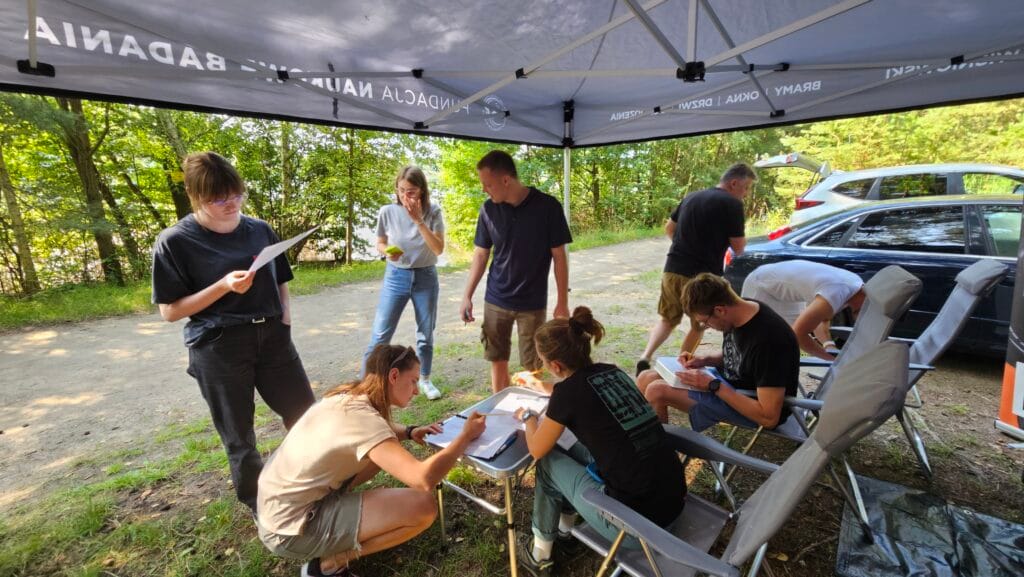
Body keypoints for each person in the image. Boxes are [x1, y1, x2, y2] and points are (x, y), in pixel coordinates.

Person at [151, 151, 315, 515]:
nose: (231, 204)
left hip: (273, 337)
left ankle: (314, 481)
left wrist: (285, 319)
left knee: (306, 416)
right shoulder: (175, 241)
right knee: (239, 436)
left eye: (237, 195)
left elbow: (281, 279)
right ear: (196, 196)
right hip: (219, 346)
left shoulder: (259, 229)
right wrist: (223, 286)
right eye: (219, 199)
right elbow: (170, 311)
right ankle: (261, 505)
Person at [257, 344, 486, 577]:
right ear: (394, 376)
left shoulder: (347, 398)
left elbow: (377, 428)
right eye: (414, 381)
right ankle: (329, 565)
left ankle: (336, 528)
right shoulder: (364, 420)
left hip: (277, 510)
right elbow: (423, 479)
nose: (416, 390)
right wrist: (465, 436)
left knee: (384, 453)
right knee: (424, 507)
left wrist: (409, 431)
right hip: (289, 530)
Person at [516, 307, 686, 577]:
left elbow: (536, 449)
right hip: (672, 505)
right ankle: (565, 532)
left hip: (638, 529)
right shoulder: (612, 373)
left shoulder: (567, 395)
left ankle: (540, 555)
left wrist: (528, 418)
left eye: (543, 360)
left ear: (555, 366)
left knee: (548, 462)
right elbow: (576, 392)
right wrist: (539, 386)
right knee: (570, 448)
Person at [460, 150, 573, 393]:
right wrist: (467, 295)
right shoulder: (488, 210)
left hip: (532, 303)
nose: (484, 189)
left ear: (505, 180)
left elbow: (559, 257)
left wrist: (562, 302)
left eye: (487, 184)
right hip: (496, 299)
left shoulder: (548, 207)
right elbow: (481, 254)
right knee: (497, 358)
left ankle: (530, 413)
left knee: (533, 365)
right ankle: (500, 405)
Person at [636, 273, 799, 433]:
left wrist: (713, 385)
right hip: (726, 384)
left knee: (657, 390)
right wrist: (705, 360)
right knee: (646, 377)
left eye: (705, 322)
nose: (707, 327)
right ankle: (637, 438)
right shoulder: (740, 311)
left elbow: (768, 417)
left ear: (720, 310)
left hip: (749, 405)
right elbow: (743, 355)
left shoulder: (769, 341)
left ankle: (655, 448)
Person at [635, 163, 756, 376]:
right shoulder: (732, 204)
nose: (745, 194)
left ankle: (645, 356)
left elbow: (669, 228)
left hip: (673, 268)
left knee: (667, 319)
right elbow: (738, 248)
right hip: (702, 278)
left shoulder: (692, 196)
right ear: (734, 183)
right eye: (746, 188)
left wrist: (686, 246)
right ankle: (681, 365)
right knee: (699, 324)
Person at [362, 166, 446, 400]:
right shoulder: (387, 211)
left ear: (422, 191)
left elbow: (438, 249)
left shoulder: (433, 211)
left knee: (425, 335)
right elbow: (380, 242)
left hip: (425, 277)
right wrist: (388, 251)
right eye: (401, 191)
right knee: (381, 335)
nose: (405, 196)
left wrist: (419, 221)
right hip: (396, 276)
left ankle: (425, 380)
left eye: (411, 192)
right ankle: (365, 383)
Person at [740, 259, 865, 360]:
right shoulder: (837, 292)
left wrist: (829, 345)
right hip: (762, 284)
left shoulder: (856, 285)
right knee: (757, 343)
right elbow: (798, 333)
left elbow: (821, 319)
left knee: (784, 345)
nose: (859, 320)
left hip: (786, 289)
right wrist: (831, 360)